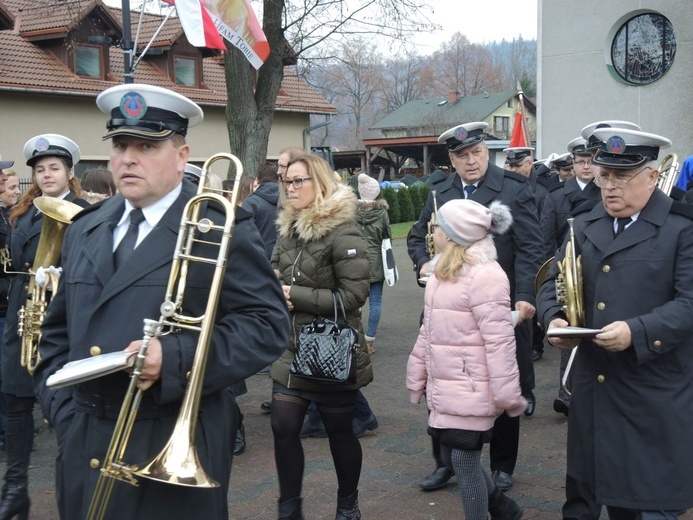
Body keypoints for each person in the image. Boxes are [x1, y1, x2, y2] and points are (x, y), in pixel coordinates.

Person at [32, 84, 290, 520]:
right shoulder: (85, 228)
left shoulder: (217, 226)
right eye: (120, 144)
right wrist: (63, 411)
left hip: (167, 436)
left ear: (181, 154)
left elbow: (266, 325)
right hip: (86, 439)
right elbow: (56, 333)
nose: (128, 158)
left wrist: (173, 358)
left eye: (147, 146)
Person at [537, 126, 693, 519]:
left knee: (646, 505)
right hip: (595, 395)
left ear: (652, 176)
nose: (609, 186)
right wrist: (554, 320)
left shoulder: (683, 229)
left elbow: (689, 304)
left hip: (653, 394)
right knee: (586, 497)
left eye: (622, 177)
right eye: (604, 175)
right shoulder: (584, 224)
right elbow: (552, 283)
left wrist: (637, 332)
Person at [408, 122, 543, 493]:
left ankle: (501, 466)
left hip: (499, 305)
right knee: (443, 384)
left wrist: (527, 297)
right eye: (463, 155)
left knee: (501, 382)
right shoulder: (440, 189)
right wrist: (422, 262)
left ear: (488, 152)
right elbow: (418, 235)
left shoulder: (514, 189)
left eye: (478, 153)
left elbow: (532, 247)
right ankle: (445, 463)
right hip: (448, 310)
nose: (472, 161)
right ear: (451, 159)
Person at [407, 198, 526, 520]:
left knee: (463, 460)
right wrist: (417, 373)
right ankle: (504, 509)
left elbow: (499, 342)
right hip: (447, 384)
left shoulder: (486, 276)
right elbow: (428, 332)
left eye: (438, 227)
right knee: (451, 453)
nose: (432, 232)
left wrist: (507, 394)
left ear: (453, 234)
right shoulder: (440, 273)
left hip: (472, 386)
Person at [269, 153, 372, 520]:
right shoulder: (288, 228)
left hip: (331, 348)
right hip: (291, 347)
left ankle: (347, 505)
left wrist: (294, 296)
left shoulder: (344, 232)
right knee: (282, 427)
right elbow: (274, 271)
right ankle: (289, 508)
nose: (291, 187)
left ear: (320, 184)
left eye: (299, 181)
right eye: (288, 181)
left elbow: (353, 297)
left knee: (339, 433)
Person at [0, 135, 88, 520]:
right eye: (40, 169)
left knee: (66, 409)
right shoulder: (23, 210)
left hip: (63, 322)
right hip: (23, 317)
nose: (47, 174)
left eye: (54, 167)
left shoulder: (86, 212)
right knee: (17, 406)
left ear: (70, 172)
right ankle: (15, 490)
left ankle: (74, 491)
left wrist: (62, 277)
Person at [504, 146, 551, 365]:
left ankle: (536, 344)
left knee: (533, 304)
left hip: (535, 255)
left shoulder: (541, 191)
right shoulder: (506, 189)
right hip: (511, 260)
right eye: (510, 165)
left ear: (529, 163)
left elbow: (540, 230)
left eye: (517, 165)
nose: (513, 169)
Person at [242, 161, 280, 259]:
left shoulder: (250, 202)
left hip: (259, 257)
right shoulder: (290, 200)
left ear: (257, 180)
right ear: (278, 178)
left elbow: (245, 235)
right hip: (284, 259)